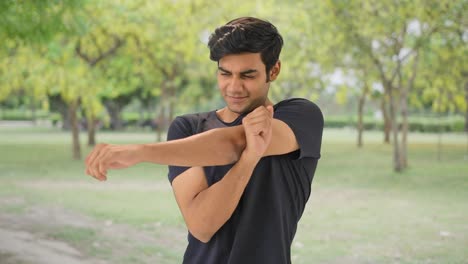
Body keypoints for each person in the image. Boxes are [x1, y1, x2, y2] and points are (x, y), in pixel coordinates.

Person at [85, 16, 323, 264]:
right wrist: (249, 160)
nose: (233, 86)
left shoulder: (300, 117)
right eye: (225, 73)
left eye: (247, 75)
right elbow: (202, 225)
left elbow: (233, 142)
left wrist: (140, 152)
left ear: (273, 70)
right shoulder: (188, 128)